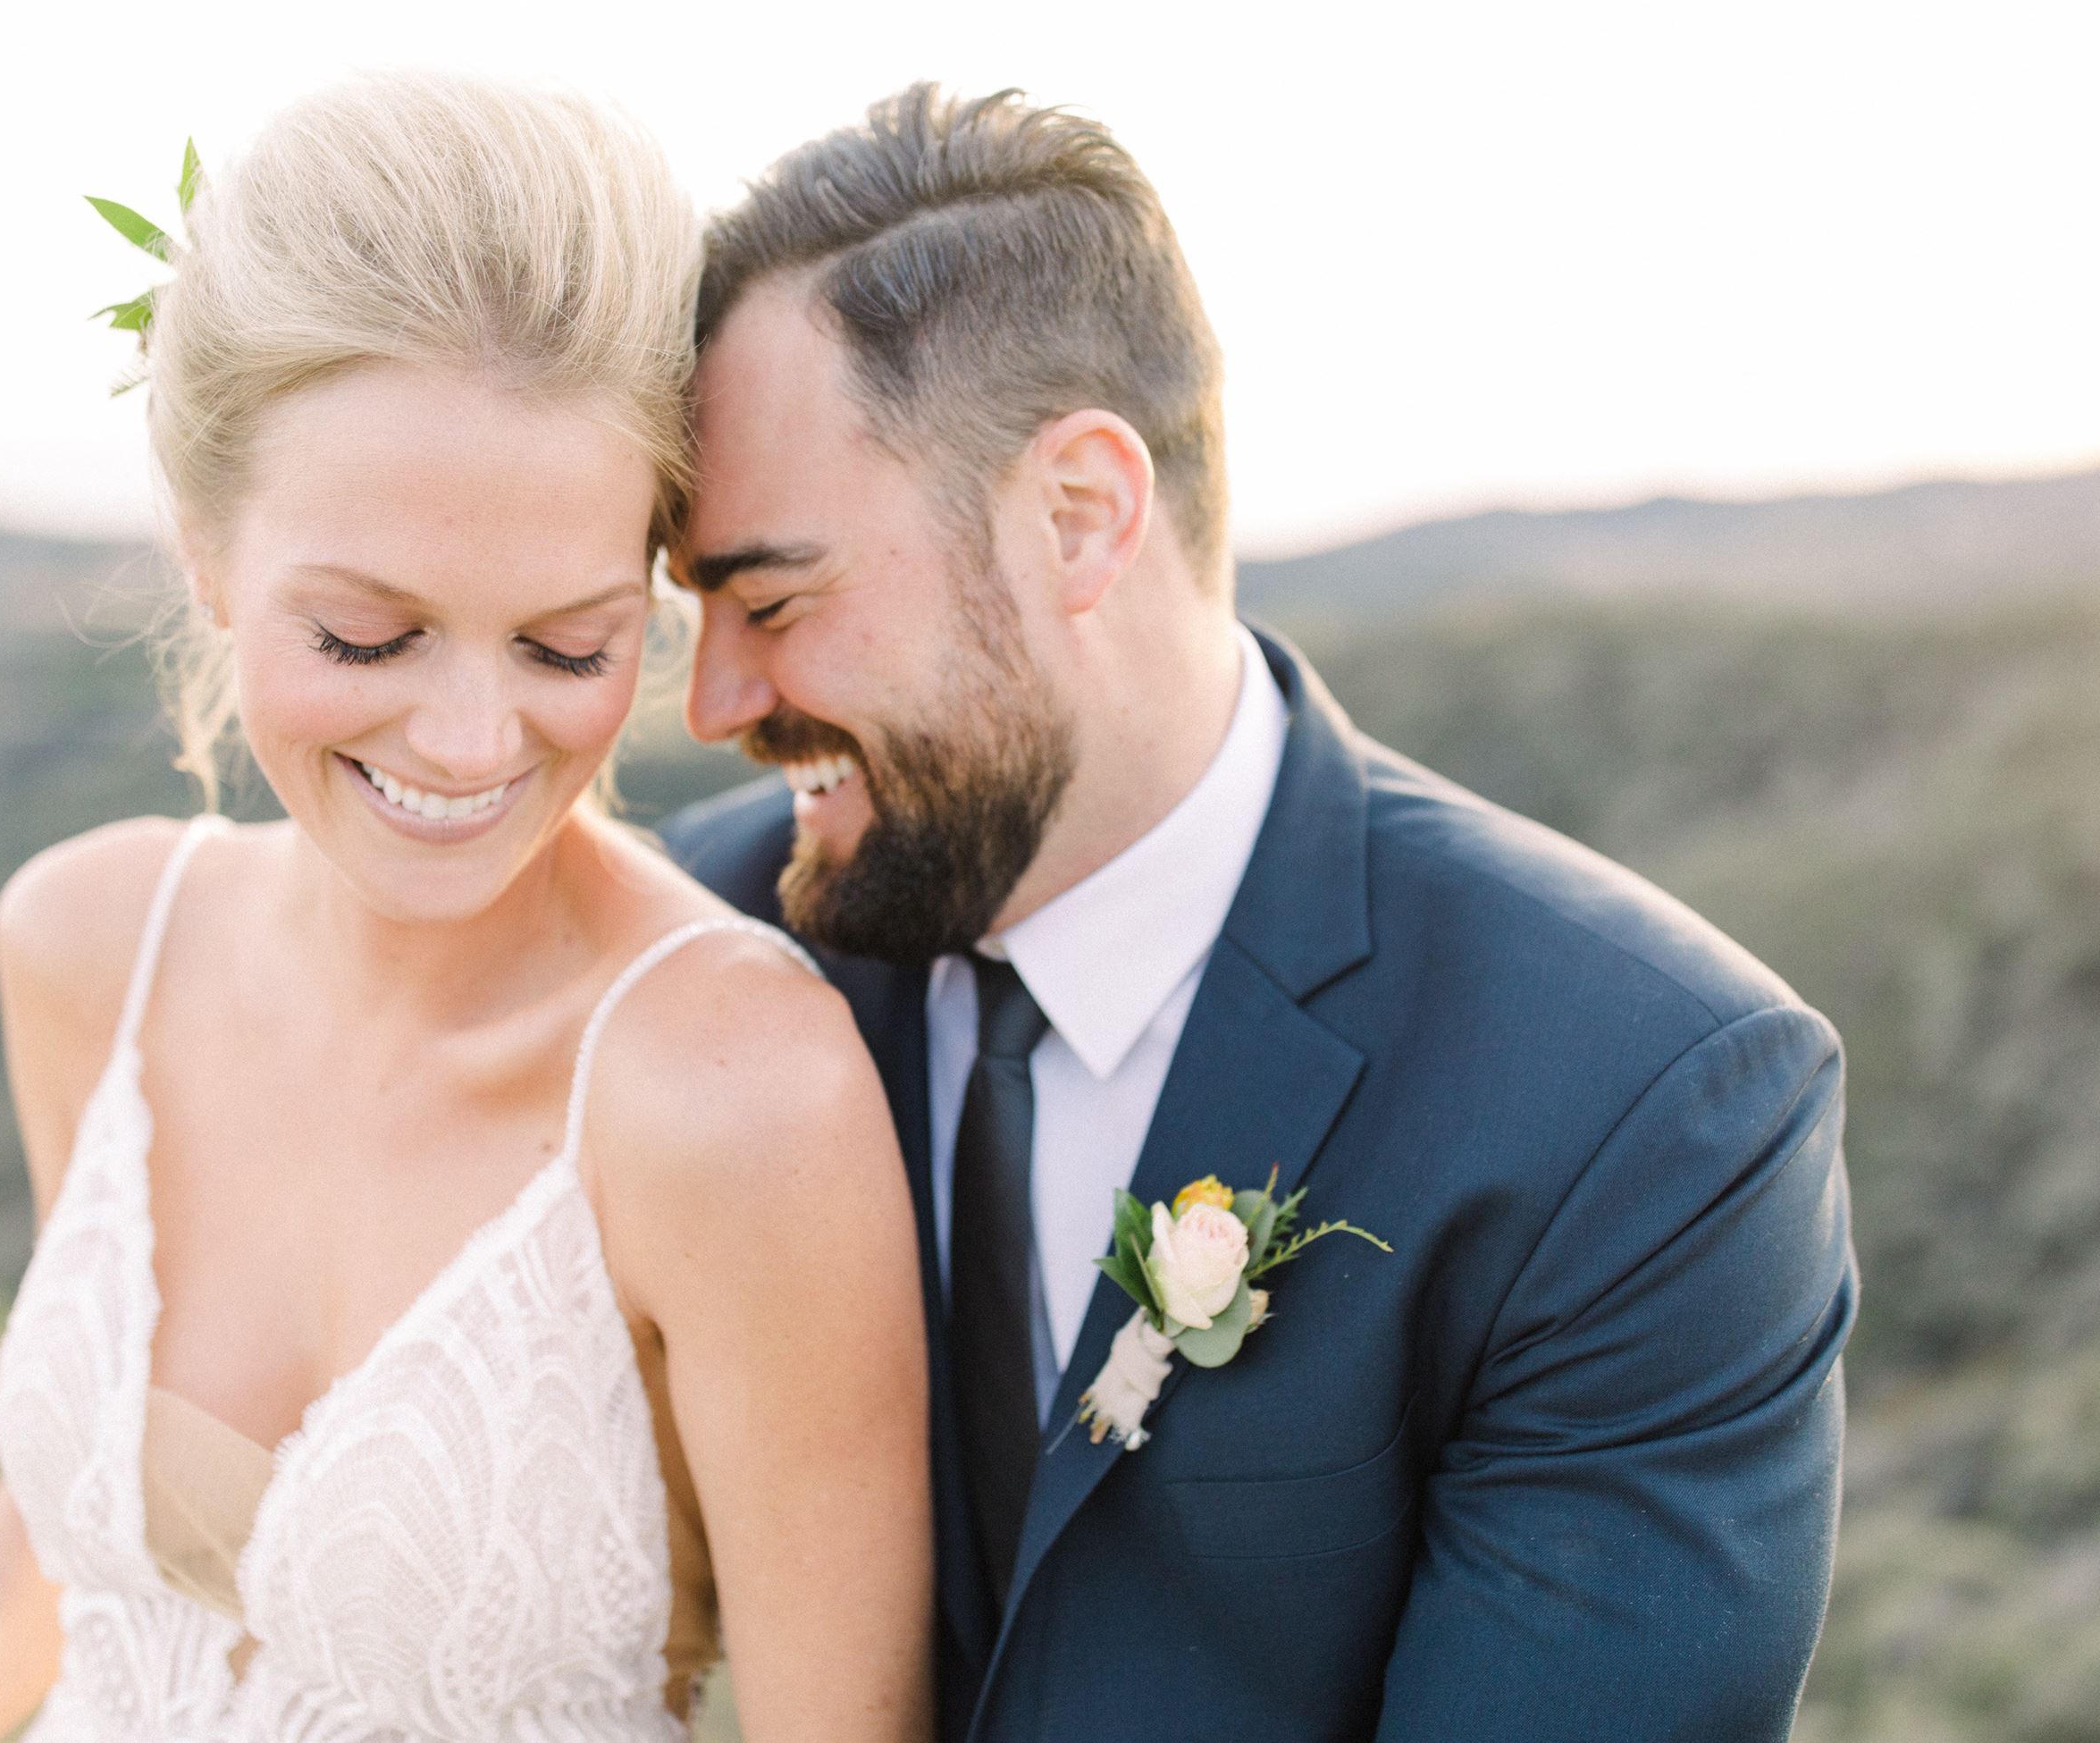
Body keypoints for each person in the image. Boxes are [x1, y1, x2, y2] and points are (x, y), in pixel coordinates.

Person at [663, 83, 1859, 1742]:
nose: (716, 698)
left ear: (1079, 516)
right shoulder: (684, 955)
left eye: (774, 599)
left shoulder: (1642, 1107)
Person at [0, 72, 931, 1743]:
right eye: (365, 636)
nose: (474, 743)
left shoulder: (736, 1095)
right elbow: (86, 1538)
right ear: (204, 548)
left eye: (569, 646)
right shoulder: (84, 944)